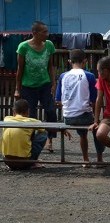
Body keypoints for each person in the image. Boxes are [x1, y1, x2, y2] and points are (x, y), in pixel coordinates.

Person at [55, 49, 105, 167]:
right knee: (97, 127)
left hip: (67, 117)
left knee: (83, 134)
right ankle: (99, 159)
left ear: (69, 61)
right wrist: (95, 119)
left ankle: (85, 160)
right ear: (85, 61)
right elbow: (94, 100)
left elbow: (58, 100)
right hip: (84, 116)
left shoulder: (63, 76)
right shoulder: (89, 76)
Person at [15, 21, 57, 153]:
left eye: (47, 31)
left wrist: (53, 82)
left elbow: (50, 66)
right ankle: (32, 141)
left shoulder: (49, 45)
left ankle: (50, 139)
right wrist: (17, 88)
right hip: (28, 86)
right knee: (31, 115)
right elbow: (20, 69)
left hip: (45, 84)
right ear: (35, 33)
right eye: (44, 32)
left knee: (50, 111)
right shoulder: (23, 47)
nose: (47, 34)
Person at [1, 100, 47, 170]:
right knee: (43, 134)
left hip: (7, 161)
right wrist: (63, 129)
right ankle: (32, 161)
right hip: (25, 162)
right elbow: (45, 129)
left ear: (14, 111)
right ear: (28, 111)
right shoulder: (32, 122)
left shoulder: (7, 119)